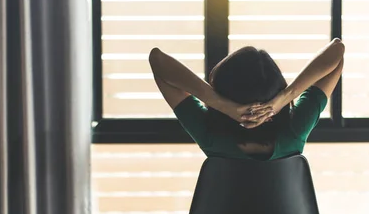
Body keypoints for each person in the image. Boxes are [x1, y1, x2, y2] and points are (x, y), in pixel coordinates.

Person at [148, 38, 345, 160]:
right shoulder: (293, 133)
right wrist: (284, 98)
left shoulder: (211, 136)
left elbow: (157, 60)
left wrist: (222, 105)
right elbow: (337, 51)